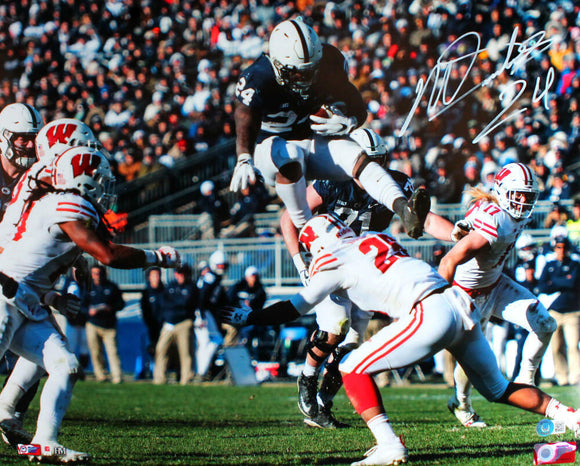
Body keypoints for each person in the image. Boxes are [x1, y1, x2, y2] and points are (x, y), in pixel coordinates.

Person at [222, 213, 580, 466]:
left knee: (351, 366)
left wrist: (251, 316)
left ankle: (389, 444)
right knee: (498, 389)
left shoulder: (331, 260)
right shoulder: (374, 239)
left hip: (429, 313)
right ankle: (572, 417)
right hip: (458, 302)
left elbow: (294, 307)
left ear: (315, 243)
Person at [0, 145, 180, 462]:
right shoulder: (65, 201)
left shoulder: (55, 204)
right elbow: (106, 254)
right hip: (5, 296)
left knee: (65, 365)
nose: (103, 185)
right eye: (98, 178)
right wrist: (157, 257)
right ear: (80, 178)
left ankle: (42, 442)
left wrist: (52, 295)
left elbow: (34, 264)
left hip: (24, 300)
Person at [279, 127, 455, 428]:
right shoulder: (332, 182)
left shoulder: (394, 184)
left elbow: (421, 219)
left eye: (379, 162)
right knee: (335, 327)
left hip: (367, 269)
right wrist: (300, 262)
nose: (375, 170)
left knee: (353, 343)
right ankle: (307, 379)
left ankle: (323, 403)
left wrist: (455, 234)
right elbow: (289, 217)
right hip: (332, 263)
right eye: (368, 162)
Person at [231, 17, 429, 239]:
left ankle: (403, 207)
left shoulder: (328, 62)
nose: (305, 78)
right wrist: (243, 155)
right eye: (297, 72)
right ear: (278, 65)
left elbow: (356, 104)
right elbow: (243, 115)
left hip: (310, 141)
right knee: (290, 154)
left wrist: (349, 120)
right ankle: (308, 232)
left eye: (310, 70)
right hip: (270, 149)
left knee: (355, 155)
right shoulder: (259, 77)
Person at [438, 162, 557, 429]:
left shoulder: (509, 213)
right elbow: (458, 249)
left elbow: (476, 213)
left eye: (528, 195)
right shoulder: (494, 218)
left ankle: (526, 378)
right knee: (471, 362)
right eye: (518, 194)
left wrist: (467, 222)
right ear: (503, 191)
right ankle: (462, 404)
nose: (524, 201)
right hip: (469, 294)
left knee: (546, 324)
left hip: (496, 284)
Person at [537, 236, 580, 386]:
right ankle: (562, 377)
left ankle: (575, 376)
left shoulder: (575, 264)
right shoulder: (549, 265)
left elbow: (572, 282)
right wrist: (562, 281)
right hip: (554, 312)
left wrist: (554, 281)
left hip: (572, 312)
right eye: (558, 247)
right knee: (556, 347)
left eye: (563, 247)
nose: (561, 250)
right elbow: (542, 287)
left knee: (573, 345)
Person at [153, 264, 197, 385]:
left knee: (185, 352)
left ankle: (186, 379)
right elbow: (163, 302)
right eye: (178, 273)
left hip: (183, 322)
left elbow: (185, 303)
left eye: (183, 273)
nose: (180, 276)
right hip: (169, 323)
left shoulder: (191, 287)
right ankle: (159, 378)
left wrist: (173, 304)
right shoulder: (171, 286)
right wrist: (174, 305)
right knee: (161, 349)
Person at [83, 265, 125, 384]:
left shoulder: (112, 287)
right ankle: (100, 375)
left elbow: (121, 304)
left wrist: (110, 308)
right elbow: (82, 306)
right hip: (93, 324)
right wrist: (88, 312)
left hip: (109, 325)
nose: (97, 276)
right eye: (94, 273)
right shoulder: (88, 288)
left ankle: (117, 376)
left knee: (112, 351)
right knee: (95, 351)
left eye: (99, 273)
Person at [140, 267, 165, 360]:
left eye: (158, 275)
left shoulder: (165, 291)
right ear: (149, 277)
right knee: (152, 347)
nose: (156, 278)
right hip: (151, 326)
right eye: (154, 275)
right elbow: (144, 310)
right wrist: (149, 323)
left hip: (163, 325)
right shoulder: (146, 293)